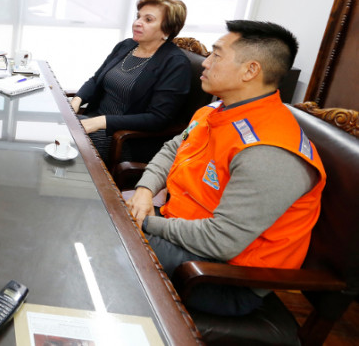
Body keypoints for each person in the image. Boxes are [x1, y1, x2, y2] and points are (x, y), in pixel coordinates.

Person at [126, 20, 325, 316]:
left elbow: (221, 241)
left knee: (113, 244)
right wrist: (144, 191)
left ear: (251, 70)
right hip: (182, 229)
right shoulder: (216, 110)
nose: (205, 62)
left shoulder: (269, 151)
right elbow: (173, 149)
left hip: (223, 276)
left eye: (217, 55)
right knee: (100, 218)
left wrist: (143, 222)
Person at [71, 0, 190, 161]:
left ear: (166, 30)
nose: (137, 23)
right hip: (93, 120)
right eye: (138, 17)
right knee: (54, 130)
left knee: (64, 140)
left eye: (148, 20)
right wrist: (77, 100)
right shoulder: (126, 46)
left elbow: (157, 118)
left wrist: (101, 122)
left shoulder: (175, 63)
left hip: (125, 138)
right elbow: (96, 79)